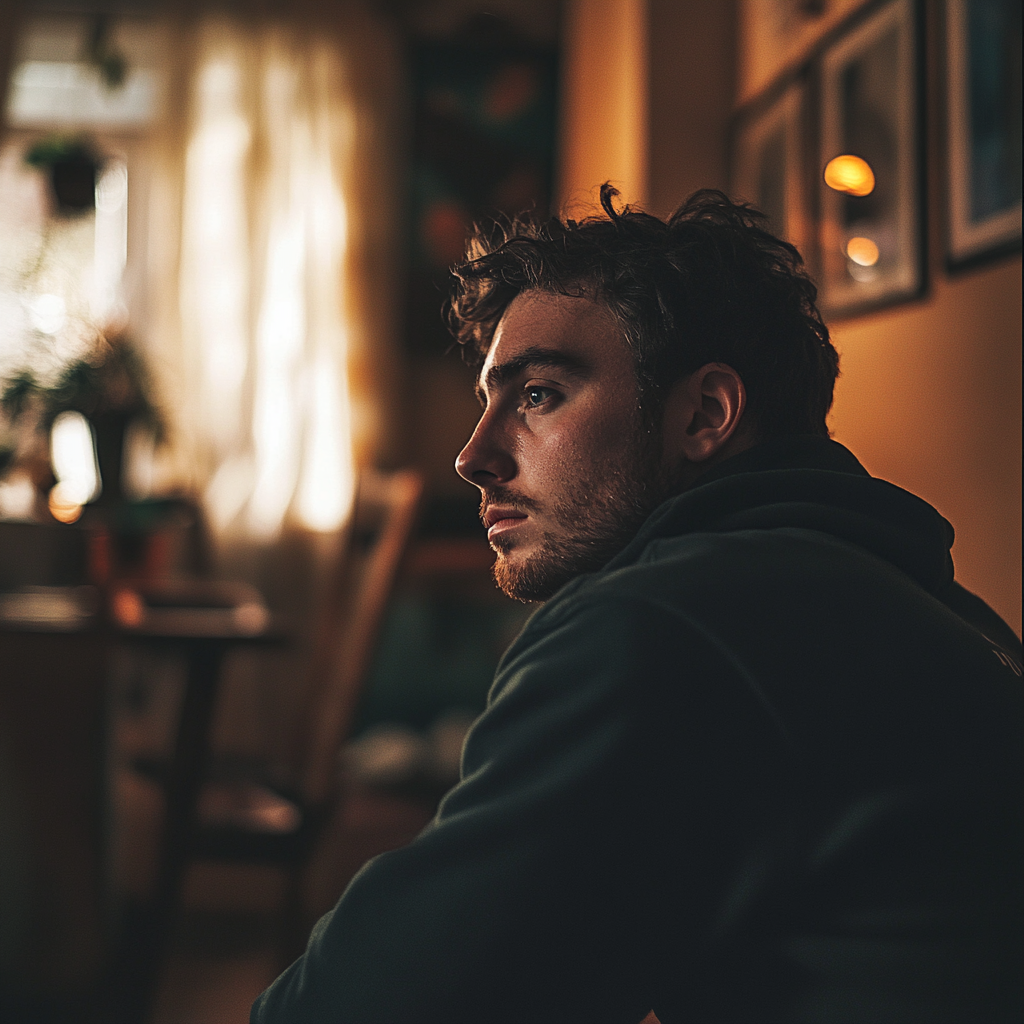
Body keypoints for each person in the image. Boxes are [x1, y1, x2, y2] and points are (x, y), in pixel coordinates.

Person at [252, 188, 1022, 1023]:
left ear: (704, 414)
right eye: (487, 399)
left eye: (538, 393)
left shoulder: (665, 625)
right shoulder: (950, 613)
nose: (472, 456)